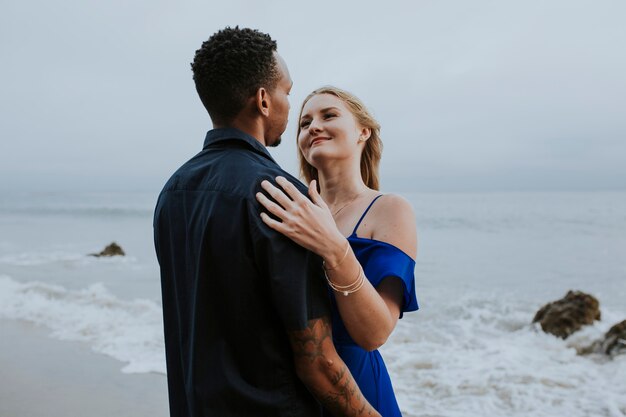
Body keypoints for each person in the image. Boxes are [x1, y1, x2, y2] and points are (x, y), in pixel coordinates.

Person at [153, 29, 380, 417]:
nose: (289, 108)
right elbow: (317, 361)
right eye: (287, 93)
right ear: (262, 99)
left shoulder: (172, 192)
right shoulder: (282, 197)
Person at [256, 86, 419, 417]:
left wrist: (334, 248)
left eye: (328, 115)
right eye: (304, 123)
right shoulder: (291, 207)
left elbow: (374, 333)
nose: (313, 126)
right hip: (286, 393)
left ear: (363, 131)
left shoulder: (389, 210)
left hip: (358, 392)